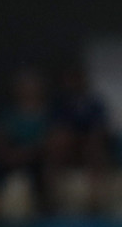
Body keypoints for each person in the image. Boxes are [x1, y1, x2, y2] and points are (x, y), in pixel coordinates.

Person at [46, 65, 114, 216]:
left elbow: (100, 126)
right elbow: (57, 127)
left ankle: (95, 199)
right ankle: (53, 198)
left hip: (88, 145)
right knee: (58, 143)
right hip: (67, 147)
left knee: (94, 147)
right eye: (70, 80)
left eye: (77, 80)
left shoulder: (94, 103)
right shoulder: (60, 103)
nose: (73, 84)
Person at [0, 70, 53, 216]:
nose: (28, 91)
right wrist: (8, 153)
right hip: (11, 154)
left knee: (43, 169)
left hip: (34, 155)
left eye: (32, 88)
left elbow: (49, 139)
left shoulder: (45, 113)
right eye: (24, 88)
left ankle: (43, 210)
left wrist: (27, 153)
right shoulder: (9, 112)